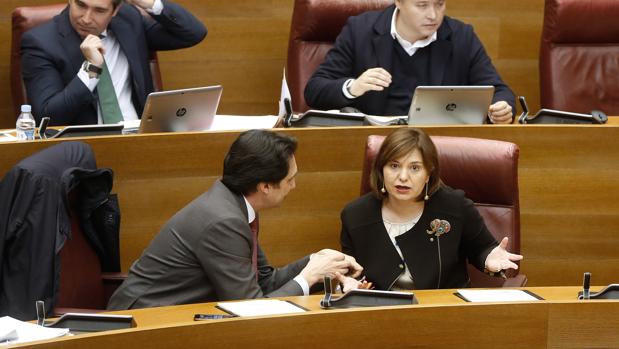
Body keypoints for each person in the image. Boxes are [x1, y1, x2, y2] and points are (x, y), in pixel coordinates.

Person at [108, 130, 364, 310]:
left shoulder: (235, 204)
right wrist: (308, 277)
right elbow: (250, 308)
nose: (294, 186)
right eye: (290, 179)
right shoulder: (224, 221)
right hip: (144, 320)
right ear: (264, 186)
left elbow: (264, 280)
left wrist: (318, 262)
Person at [340, 128, 523, 290]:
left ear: (428, 174)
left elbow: (482, 248)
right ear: (381, 170)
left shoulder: (454, 206)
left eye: (414, 168)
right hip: (381, 314)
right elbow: (351, 273)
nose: (403, 177)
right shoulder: (355, 215)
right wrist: (350, 284)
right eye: (394, 166)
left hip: (444, 311)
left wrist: (488, 259)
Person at [304, 0, 515, 124]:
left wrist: (501, 108)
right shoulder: (360, 30)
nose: (433, 15)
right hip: (376, 142)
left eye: (439, 3)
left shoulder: (461, 36)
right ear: (398, 2)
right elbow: (314, 91)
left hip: (438, 143)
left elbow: (500, 91)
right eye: (422, 5)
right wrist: (353, 87)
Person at [20, 0, 207, 126]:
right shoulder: (40, 42)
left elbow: (193, 33)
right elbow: (48, 116)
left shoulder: (129, 22)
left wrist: (150, 3)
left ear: (115, 11)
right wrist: (91, 69)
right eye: (80, 5)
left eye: (99, 11)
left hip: (141, 135)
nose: (86, 18)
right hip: (84, 149)